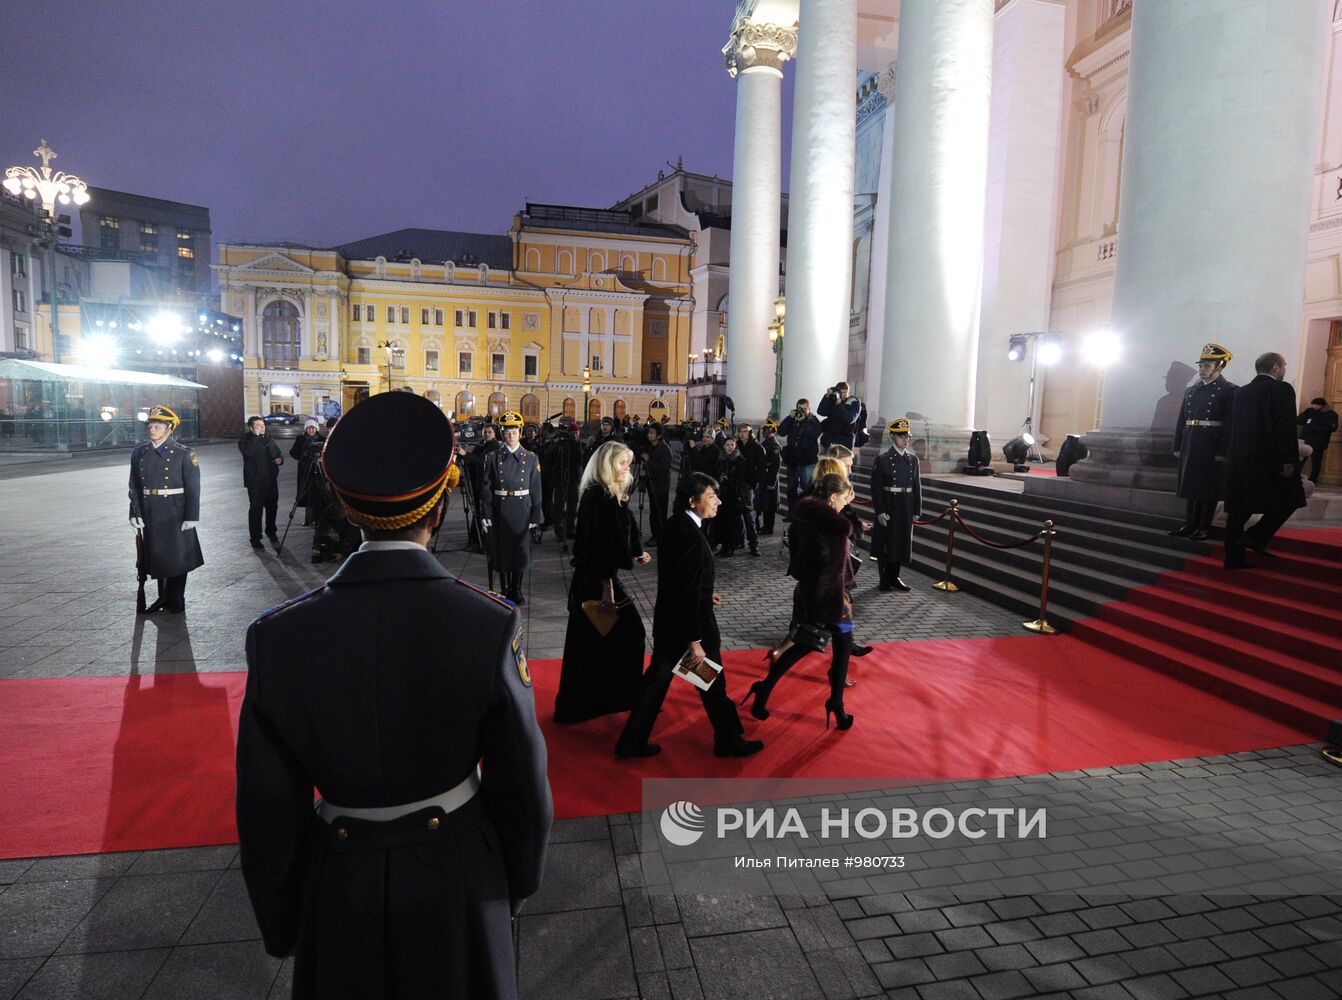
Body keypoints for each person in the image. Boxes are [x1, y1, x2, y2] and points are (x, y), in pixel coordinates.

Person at [235, 391, 551, 1000]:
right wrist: (511, 885)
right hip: (460, 875)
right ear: (439, 508)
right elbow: (522, 783)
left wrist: (284, 922)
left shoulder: (278, 638)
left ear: (350, 511)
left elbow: (267, 812)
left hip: (340, 882)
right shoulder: (486, 625)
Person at [615, 472, 764, 759]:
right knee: (712, 684)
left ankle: (632, 741)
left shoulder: (677, 525)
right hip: (690, 629)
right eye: (711, 497)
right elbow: (684, 589)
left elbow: (680, 578)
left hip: (671, 623)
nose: (718, 502)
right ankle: (729, 741)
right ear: (693, 501)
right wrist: (694, 639)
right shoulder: (690, 535)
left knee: (659, 683)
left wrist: (706, 593)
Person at [743, 474, 857, 730]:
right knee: (824, 647)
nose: (846, 502)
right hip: (832, 599)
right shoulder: (834, 529)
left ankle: (767, 690)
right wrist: (831, 605)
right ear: (832, 498)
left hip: (812, 593)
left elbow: (797, 566)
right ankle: (834, 705)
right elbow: (833, 571)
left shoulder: (803, 519)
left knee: (824, 646)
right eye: (844, 497)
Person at [554, 441, 654, 723]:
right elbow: (595, 547)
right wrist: (607, 587)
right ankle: (610, 699)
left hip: (600, 577)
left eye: (628, 463)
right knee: (628, 633)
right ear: (607, 464)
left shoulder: (609, 494)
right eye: (622, 463)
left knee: (598, 640)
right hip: (596, 580)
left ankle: (607, 699)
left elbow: (620, 530)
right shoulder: (597, 496)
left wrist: (636, 552)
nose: (627, 468)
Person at [1224, 352, 1308, 567]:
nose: (1285, 370)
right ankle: (1256, 536)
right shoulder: (1281, 389)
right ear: (1276, 368)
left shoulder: (1241, 392)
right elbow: (1285, 426)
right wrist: (1289, 460)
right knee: (1293, 497)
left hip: (1239, 459)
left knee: (1238, 509)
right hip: (1270, 461)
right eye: (1285, 365)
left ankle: (1233, 559)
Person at [128, 404, 203, 614]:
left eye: (158, 426)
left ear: (170, 429)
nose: (152, 429)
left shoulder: (184, 453)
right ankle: (163, 597)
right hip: (151, 510)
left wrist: (192, 516)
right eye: (150, 425)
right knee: (158, 555)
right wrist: (134, 513)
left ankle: (176, 596)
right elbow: (134, 485)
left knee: (178, 555)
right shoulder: (139, 453)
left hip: (175, 510)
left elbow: (193, 486)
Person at [1170, 343, 1236, 539]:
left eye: (1206, 366)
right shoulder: (1192, 390)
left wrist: (1223, 451)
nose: (1202, 370)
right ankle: (1190, 524)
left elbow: (1231, 424)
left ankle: (1203, 526)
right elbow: (1182, 420)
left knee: (1209, 487)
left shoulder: (1229, 390)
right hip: (1192, 440)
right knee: (1191, 485)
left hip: (1211, 443)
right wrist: (1177, 444)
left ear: (1220, 367)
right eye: (1200, 366)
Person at [481, 411, 544, 603]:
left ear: (520, 433)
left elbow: (536, 489)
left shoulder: (531, 458)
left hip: (521, 509)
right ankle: (505, 588)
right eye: (507, 432)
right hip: (501, 508)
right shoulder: (492, 457)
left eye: (514, 432)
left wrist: (535, 515)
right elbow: (486, 487)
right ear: (502, 434)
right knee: (502, 551)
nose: (510, 436)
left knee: (520, 551)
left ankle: (517, 589)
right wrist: (486, 513)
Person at [870, 418, 922, 591]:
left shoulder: (913, 460)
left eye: (907, 436)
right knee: (886, 543)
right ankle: (884, 579)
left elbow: (916, 486)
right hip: (889, 503)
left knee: (901, 542)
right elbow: (876, 488)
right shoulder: (883, 459)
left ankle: (895, 577)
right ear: (893, 437)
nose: (905, 439)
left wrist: (917, 509)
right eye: (901, 436)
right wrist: (880, 511)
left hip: (906, 504)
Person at [239, 415, 283, 549]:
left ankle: (271, 531)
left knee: (272, 507)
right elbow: (249, 452)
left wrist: (280, 459)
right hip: (255, 482)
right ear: (251, 427)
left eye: (263, 425)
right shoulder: (245, 440)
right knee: (256, 510)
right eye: (259, 425)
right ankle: (255, 538)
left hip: (270, 480)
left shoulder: (268, 437)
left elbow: (277, 452)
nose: (262, 427)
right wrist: (255, 436)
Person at [778, 398, 823, 516]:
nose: (802, 412)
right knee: (791, 489)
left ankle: (806, 514)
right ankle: (792, 514)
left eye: (804, 409)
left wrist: (804, 421)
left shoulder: (813, 421)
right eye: (800, 409)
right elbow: (781, 432)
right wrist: (789, 417)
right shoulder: (793, 420)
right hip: (793, 459)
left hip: (808, 460)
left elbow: (814, 435)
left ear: (809, 409)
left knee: (807, 488)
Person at [640, 421, 674, 546]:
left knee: (659, 512)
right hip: (651, 483)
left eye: (652, 433)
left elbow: (664, 467)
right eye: (649, 432)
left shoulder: (664, 449)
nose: (649, 435)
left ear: (659, 436)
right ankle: (656, 535)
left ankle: (660, 536)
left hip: (660, 485)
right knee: (653, 511)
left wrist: (649, 460)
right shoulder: (650, 446)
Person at [289, 419, 326, 525]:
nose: (311, 430)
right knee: (306, 493)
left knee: (318, 494)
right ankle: (308, 520)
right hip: (305, 469)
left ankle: (319, 519)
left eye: (313, 428)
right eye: (309, 428)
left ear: (316, 429)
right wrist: (303, 455)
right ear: (306, 429)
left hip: (318, 468)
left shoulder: (322, 439)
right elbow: (293, 452)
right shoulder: (300, 439)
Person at [734, 423, 764, 555]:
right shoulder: (736, 445)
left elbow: (762, 469)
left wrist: (752, 482)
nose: (742, 434)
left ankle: (753, 544)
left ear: (750, 432)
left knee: (748, 516)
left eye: (745, 431)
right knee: (737, 515)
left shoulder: (757, 447)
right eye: (740, 431)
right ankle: (739, 540)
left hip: (748, 486)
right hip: (736, 485)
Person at [1297, 396, 1338, 484]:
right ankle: (1295, 477)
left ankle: (1313, 480)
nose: (1313, 407)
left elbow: (1332, 427)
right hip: (1305, 440)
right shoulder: (1310, 411)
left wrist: (1314, 428)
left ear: (1322, 406)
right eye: (1313, 405)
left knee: (1316, 462)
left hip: (1319, 442)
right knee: (1300, 460)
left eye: (1316, 405)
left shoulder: (1331, 414)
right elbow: (1299, 420)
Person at [818, 382, 863, 450]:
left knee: (843, 460)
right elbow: (821, 411)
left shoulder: (854, 402)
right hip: (830, 438)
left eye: (845, 392)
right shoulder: (833, 399)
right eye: (840, 392)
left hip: (845, 439)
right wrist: (827, 396)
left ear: (848, 392)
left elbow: (849, 419)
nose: (842, 395)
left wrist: (839, 404)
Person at [757, 419, 783, 535]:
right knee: (765, 504)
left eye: (766, 430)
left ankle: (769, 527)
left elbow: (776, 465)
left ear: (771, 430)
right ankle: (765, 526)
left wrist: (771, 482)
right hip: (764, 477)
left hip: (770, 478)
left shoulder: (774, 445)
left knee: (770, 505)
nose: (763, 431)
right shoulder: (767, 442)